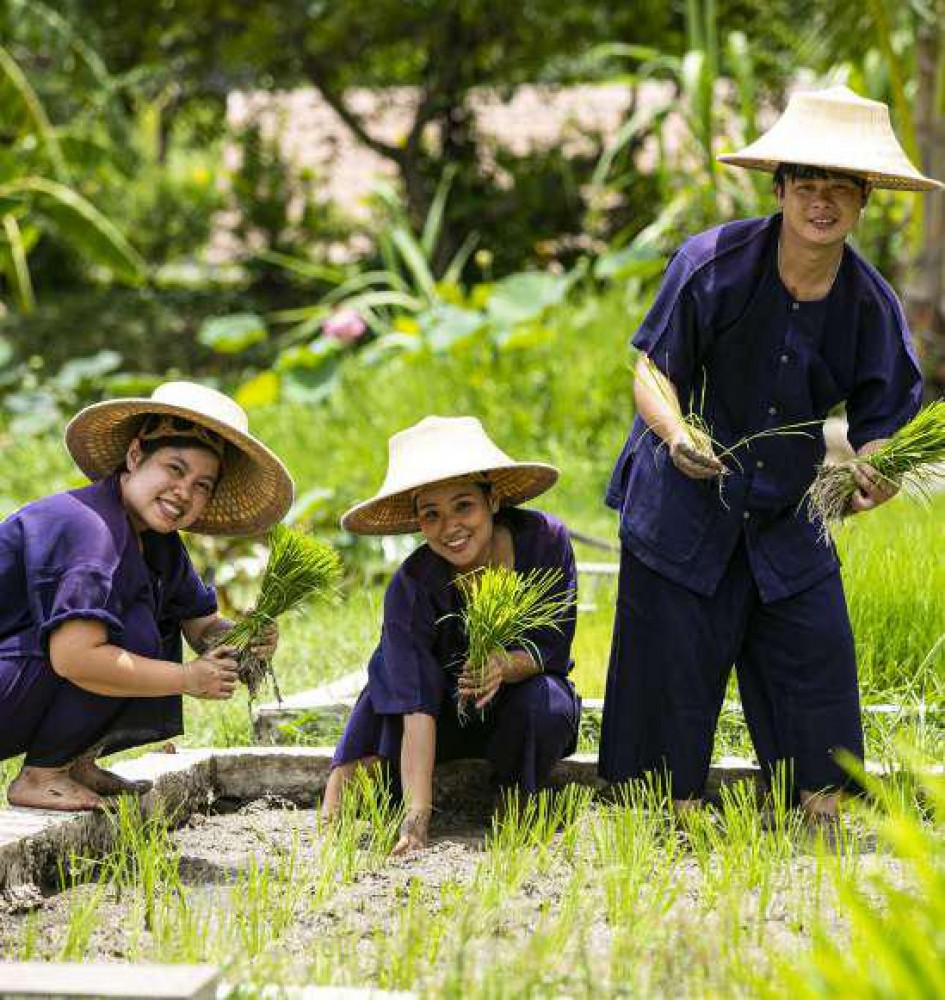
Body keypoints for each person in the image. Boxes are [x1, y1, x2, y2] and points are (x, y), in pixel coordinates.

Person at [599, 86, 941, 818]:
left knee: (813, 663)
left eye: (840, 190)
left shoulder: (868, 303)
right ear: (780, 188)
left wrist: (875, 469)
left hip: (786, 511)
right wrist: (676, 435)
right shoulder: (711, 264)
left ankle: (813, 802)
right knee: (670, 680)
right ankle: (666, 813)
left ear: (862, 202)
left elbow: (885, 416)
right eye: (807, 185)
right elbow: (651, 370)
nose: (822, 203)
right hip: (682, 507)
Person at [0, 381, 294, 811]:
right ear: (135, 456)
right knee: (129, 631)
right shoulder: (92, 534)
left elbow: (201, 625)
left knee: (150, 621)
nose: (184, 492)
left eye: (202, 486)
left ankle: (73, 760)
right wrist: (187, 679)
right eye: (175, 469)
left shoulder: (157, 542)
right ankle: (42, 775)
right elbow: (74, 658)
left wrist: (246, 635)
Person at [322, 416, 581, 853]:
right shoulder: (413, 585)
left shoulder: (544, 541)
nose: (451, 527)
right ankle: (339, 809)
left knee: (548, 702)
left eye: (464, 506)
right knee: (385, 682)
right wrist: (417, 819)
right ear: (418, 523)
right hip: (438, 721)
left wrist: (505, 665)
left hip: (513, 714)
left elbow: (552, 644)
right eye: (432, 515)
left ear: (493, 499)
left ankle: (515, 796)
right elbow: (415, 705)